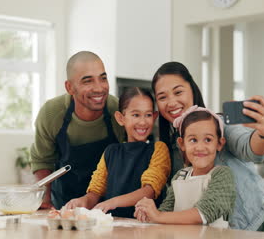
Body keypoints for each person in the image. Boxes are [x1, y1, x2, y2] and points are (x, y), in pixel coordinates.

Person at [140, 62, 264, 232]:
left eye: (178, 92)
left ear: (192, 89)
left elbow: (254, 151)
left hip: (263, 223)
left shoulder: (220, 126)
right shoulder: (173, 148)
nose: (172, 102)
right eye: (162, 97)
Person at [30, 51, 125, 209]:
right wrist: (45, 202)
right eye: (88, 81)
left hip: (111, 205)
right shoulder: (52, 114)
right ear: (69, 87)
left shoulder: (117, 111)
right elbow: (42, 160)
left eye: (103, 78)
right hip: (65, 203)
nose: (99, 88)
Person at [64, 87, 171, 218]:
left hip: (144, 226)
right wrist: (83, 201)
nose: (143, 122)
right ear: (121, 118)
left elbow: (149, 191)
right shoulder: (110, 151)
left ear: (154, 117)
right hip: (111, 225)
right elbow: (95, 193)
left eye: (148, 115)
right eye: (136, 115)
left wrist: (113, 202)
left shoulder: (158, 149)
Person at [135, 106, 235, 228]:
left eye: (208, 139)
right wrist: (149, 214)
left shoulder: (222, 175)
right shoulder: (180, 176)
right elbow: (166, 210)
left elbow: (205, 213)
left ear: (219, 143)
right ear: (182, 144)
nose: (200, 147)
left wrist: (158, 216)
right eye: (193, 140)